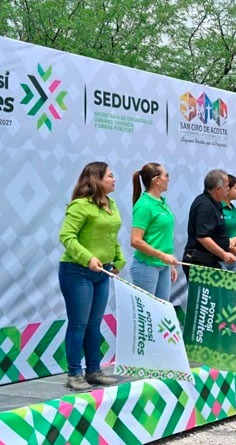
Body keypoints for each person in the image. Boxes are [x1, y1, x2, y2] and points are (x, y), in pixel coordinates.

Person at [58, 162, 125, 390]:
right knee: (79, 324)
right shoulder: (80, 205)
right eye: (110, 176)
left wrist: (118, 259)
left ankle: (94, 371)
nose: (114, 179)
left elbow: (111, 236)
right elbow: (66, 236)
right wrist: (88, 258)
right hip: (76, 272)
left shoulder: (111, 204)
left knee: (94, 325)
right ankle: (74, 374)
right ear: (97, 179)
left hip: (101, 273)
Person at [130, 163, 178, 302]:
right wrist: (162, 256)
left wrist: (169, 264)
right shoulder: (144, 205)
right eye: (166, 176)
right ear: (157, 180)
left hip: (164, 265)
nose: (168, 179)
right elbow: (135, 241)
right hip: (147, 265)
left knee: (162, 311)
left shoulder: (162, 203)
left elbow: (163, 237)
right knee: (147, 311)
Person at [182, 169, 236, 279]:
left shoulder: (216, 204)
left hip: (211, 261)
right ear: (218, 189)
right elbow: (203, 237)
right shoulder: (204, 206)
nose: (228, 189)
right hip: (200, 263)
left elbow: (218, 236)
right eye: (227, 186)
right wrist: (223, 254)